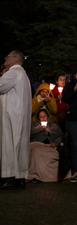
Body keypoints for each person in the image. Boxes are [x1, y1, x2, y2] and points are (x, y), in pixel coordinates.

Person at [0, 50, 32, 189]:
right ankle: (19, 177)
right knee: (19, 146)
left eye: (8, 56)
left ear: (15, 59)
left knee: (9, 144)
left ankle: (8, 176)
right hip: (20, 116)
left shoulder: (13, 72)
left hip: (12, 115)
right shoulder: (23, 75)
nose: (5, 58)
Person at [28, 109, 70, 182]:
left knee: (58, 154)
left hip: (50, 147)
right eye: (41, 117)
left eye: (45, 116)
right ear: (38, 118)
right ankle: (36, 176)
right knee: (36, 151)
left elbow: (60, 136)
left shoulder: (54, 126)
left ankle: (55, 176)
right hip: (37, 144)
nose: (43, 118)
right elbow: (27, 134)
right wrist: (38, 130)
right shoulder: (33, 125)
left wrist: (56, 143)